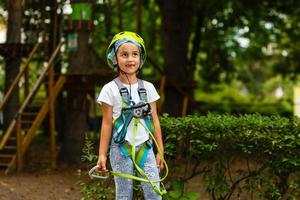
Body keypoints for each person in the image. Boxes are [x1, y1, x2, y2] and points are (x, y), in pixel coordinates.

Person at [96, 31, 165, 199]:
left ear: (141, 59)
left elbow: (154, 119)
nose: (130, 59)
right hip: (120, 149)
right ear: (115, 58)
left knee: (154, 194)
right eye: (124, 54)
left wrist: (160, 150)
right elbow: (106, 123)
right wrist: (102, 154)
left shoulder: (148, 88)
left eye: (135, 54)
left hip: (146, 148)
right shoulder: (109, 89)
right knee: (124, 195)